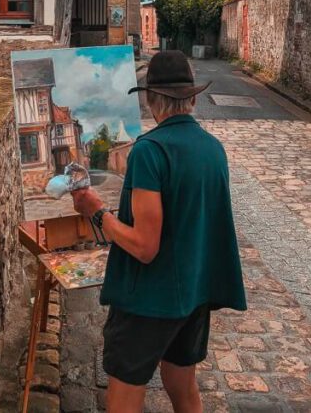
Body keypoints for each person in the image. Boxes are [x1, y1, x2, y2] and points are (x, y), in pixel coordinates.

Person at [72, 50, 247, 413]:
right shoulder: (213, 150)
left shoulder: (149, 152)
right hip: (192, 297)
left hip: (147, 302)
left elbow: (144, 246)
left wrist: (96, 211)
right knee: (183, 388)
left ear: (151, 100)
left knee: (124, 397)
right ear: (194, 98)